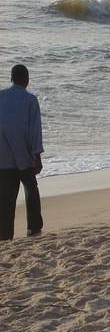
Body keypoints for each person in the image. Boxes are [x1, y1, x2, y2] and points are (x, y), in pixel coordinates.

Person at [0, 65, 44, 241]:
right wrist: (37, 156)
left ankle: (4, 234)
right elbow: (35, 131)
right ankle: (33, 228)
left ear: (11, 78)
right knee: (31, 190)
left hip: (3, 157)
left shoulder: (1, 96)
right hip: (24, 155)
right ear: (26, 80)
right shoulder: (30, 100)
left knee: (5, 199)